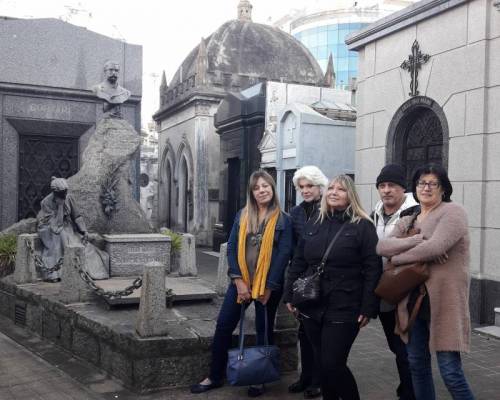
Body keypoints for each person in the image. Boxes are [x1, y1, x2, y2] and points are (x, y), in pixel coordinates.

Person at [190, 170, 293, 397]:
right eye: (257, 188)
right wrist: (237, 280)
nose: (262, 190)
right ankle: (214, 376)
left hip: (268, 286)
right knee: (224, 325)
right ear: (252, 192)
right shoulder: (242, 215)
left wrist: (269, 287)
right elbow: (233, 247)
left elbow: (284, 255)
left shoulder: (284, 220)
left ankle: (260, 377)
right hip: (242, 282)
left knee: (264, 329)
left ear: (272, 189)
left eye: (266, 186)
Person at [377, 164, 474, 400]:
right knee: (417, 365)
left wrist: (397, 257)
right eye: (421, 183)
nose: (426, 188)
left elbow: (436, 247)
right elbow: (382, 246)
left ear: (443, 188)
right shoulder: (409, 219)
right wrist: (418, 241)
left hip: (444, 302)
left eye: (433, 183)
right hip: (413, 303)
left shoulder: (453, 212)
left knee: (450, 371)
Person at [284, 175, 382, 400]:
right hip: (311, 303)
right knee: (322, 362)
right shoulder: (315, 222)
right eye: (331, 189)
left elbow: (373, 269)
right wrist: (289, 294)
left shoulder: (362, 226)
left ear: (351, 196)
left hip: (345, 305)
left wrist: (368, 308)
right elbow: (299, 260)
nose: (334, 192)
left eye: (341, 189)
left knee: (333, 363)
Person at [372, 164, 417, 400]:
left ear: (402, 188)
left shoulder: (415, 212)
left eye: (392, 185)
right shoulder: (375, 213)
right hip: (385, 290)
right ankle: (407, 388)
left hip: (408, 292)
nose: (386, 190)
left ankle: (410, 392)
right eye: (382, 186)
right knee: (396, 346)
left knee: (405, 348)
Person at [288, 166, 328, 399]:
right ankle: (306, 376)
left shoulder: (330, 209)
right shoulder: (295, 213)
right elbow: (294, 249)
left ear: (319, 186)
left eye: (309, 186)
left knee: (320, 334)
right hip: (302, 279)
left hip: (324, 279)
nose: (305, 190)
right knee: (303, 331)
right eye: (301, 187)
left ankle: (319, 380)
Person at [37, 177, 109, 282]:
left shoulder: (69, 198)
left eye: (66, 192)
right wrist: (60, 206)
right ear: (55, 193)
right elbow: (56, 226)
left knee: (83, 245)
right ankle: (55, 274)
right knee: (60, 239)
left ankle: (87, 271)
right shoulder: (46, 202)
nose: (65, 195)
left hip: (66, 227)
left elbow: (77, 216)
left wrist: (84, 230)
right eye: (62, 193)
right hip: (50, 228)